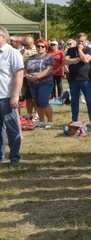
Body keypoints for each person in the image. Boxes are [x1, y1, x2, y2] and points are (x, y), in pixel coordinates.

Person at [0, 26, 23, 168]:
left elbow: (19, 75)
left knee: (12, 128)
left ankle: (14, 157)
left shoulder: (12, 53)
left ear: (2, 37)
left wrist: (14, 96)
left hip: (7, 97)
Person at [63, 33, 91, 125]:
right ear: (76, 40)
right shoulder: (71, 50)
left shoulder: (89, 50)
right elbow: (66, 61)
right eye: (78, 41)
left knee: (89, 100)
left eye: (82, 41)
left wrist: (80, 50)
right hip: (73, 79)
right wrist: (78, 58)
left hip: (85, 79)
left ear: (86, 41)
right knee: (74, 100)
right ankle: (74, 119)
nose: (80, 43)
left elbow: (86, 60)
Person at [24, 38, 55, 128]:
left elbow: (49, 69)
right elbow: (25, 68)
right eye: (38, 46)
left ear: (46, 47)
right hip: (32, 83)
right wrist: (27, 75)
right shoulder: (31, 58)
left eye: (42, 46)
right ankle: (41, 121)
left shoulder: (48, 57)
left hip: (45, 82)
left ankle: (50, 121)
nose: (40, 48)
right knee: (37, 103)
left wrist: (37, 76)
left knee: (44, 102)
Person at [21, 36, 37, 121]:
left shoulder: (37, 50)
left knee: (35, 97)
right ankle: (29, 113)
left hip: (34, 76)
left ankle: (37, 114)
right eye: (24, 45)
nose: (26, 47)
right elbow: (20, 62)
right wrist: (24, 53)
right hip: (24, 76)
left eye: (28, 45)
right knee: (27, 97)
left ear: (33, 43)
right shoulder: (22, 51)